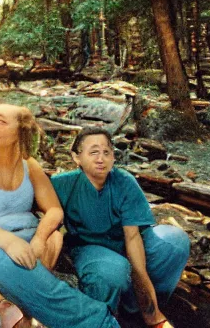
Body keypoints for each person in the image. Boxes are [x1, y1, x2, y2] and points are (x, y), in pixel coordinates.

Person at [0, 104, 119, 328]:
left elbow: (54, 210)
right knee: (36, 282)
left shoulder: (30, 165)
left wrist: (39, 238)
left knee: (52, 241)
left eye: (0, 123)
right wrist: (9, 242)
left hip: (34, 237)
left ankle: (11, 304)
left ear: (19, 131)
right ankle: (101, 322)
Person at [51, 128, 190, 328]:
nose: (101, 159)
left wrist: (151, 311)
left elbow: (133, 238)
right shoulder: (62, 184)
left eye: (107, 152)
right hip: (90, 248)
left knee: (175, 242)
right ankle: (103, 318)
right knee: (112, 271)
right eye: (93, 152)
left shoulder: (124, 182)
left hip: (127, 242)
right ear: (76, 157)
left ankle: (134, 306)